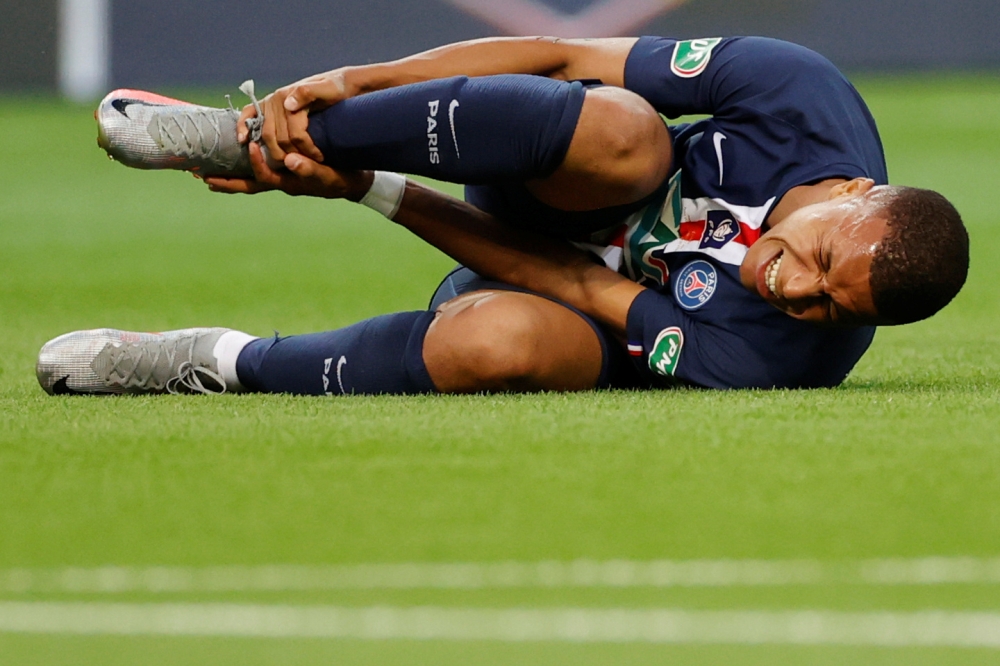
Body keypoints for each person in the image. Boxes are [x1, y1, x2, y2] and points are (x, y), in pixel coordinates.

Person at [36, 36, 969, 396]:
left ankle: (210, 360)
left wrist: (368, 192)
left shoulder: (778, 358)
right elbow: (561, 59)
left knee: (492, 344)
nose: (789, 285)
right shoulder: (802, 93)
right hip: (548, 174)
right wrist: (364, 83)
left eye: (825, 307)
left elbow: (564, 278)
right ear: (854, 196)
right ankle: (256, 136)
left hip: (565, 301)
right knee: (628, 132)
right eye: (816, 261)